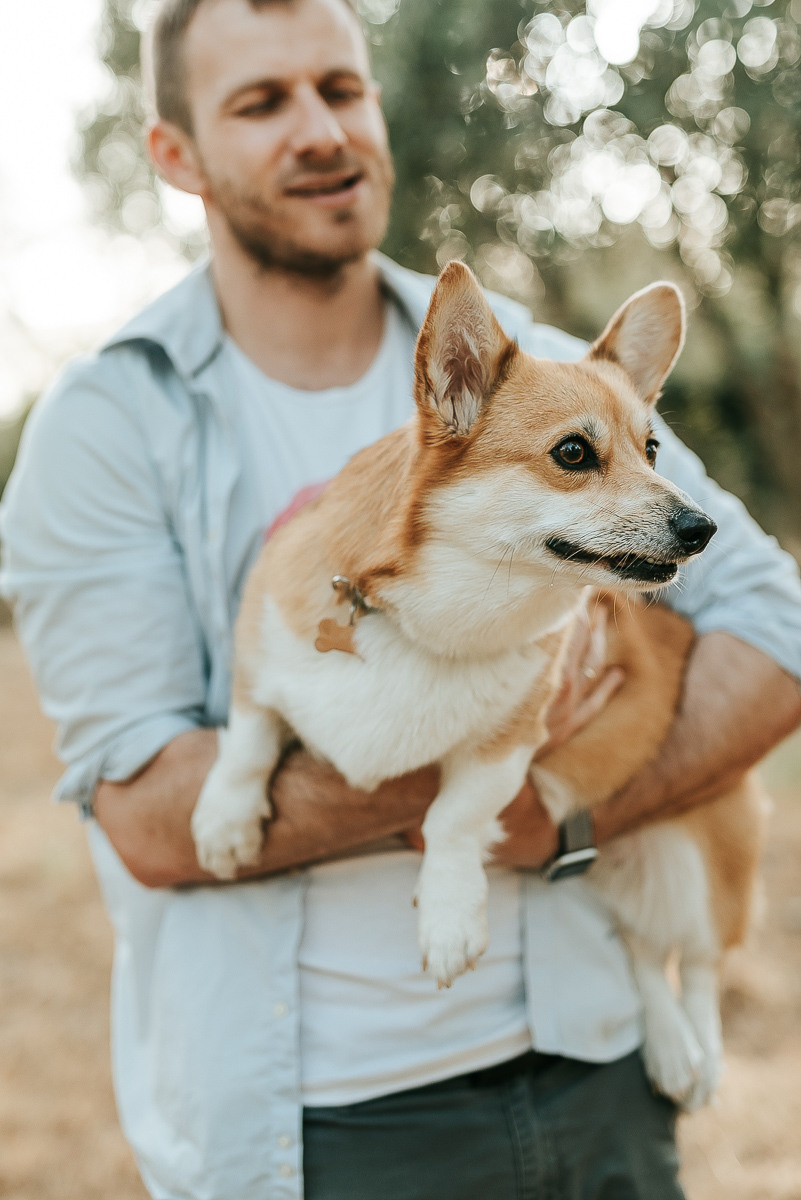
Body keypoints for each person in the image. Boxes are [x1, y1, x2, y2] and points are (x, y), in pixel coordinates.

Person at [2, 0, 801, 1196]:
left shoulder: (537, 364)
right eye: (262, 102)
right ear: (174, 153)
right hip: (328, 1130)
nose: (321, 127)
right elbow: (149, 815)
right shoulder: (109, 424)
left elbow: (773, 620)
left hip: (599, 1076)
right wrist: (452, 777)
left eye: (342, 85)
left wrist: (565, 815)